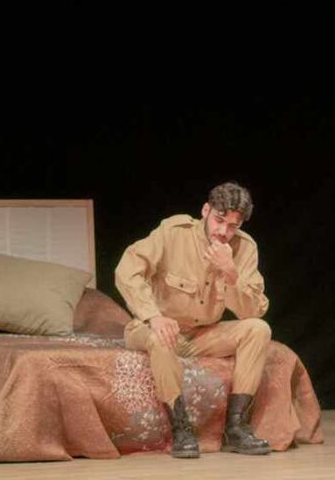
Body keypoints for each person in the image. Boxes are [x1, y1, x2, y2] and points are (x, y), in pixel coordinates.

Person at [115, 182, 272, 458]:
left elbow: (254, 311)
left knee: (258, 329)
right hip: (155, 326)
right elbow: (127, 270)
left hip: (203, 334)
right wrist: (153, 316)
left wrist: (231, 272)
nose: (223, 231)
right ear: (205, 210)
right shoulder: (174, 232)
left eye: (232, 226)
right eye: (219, 220)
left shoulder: (245, 248)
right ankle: (181, 429)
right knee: (160, 338)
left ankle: (235, 429)